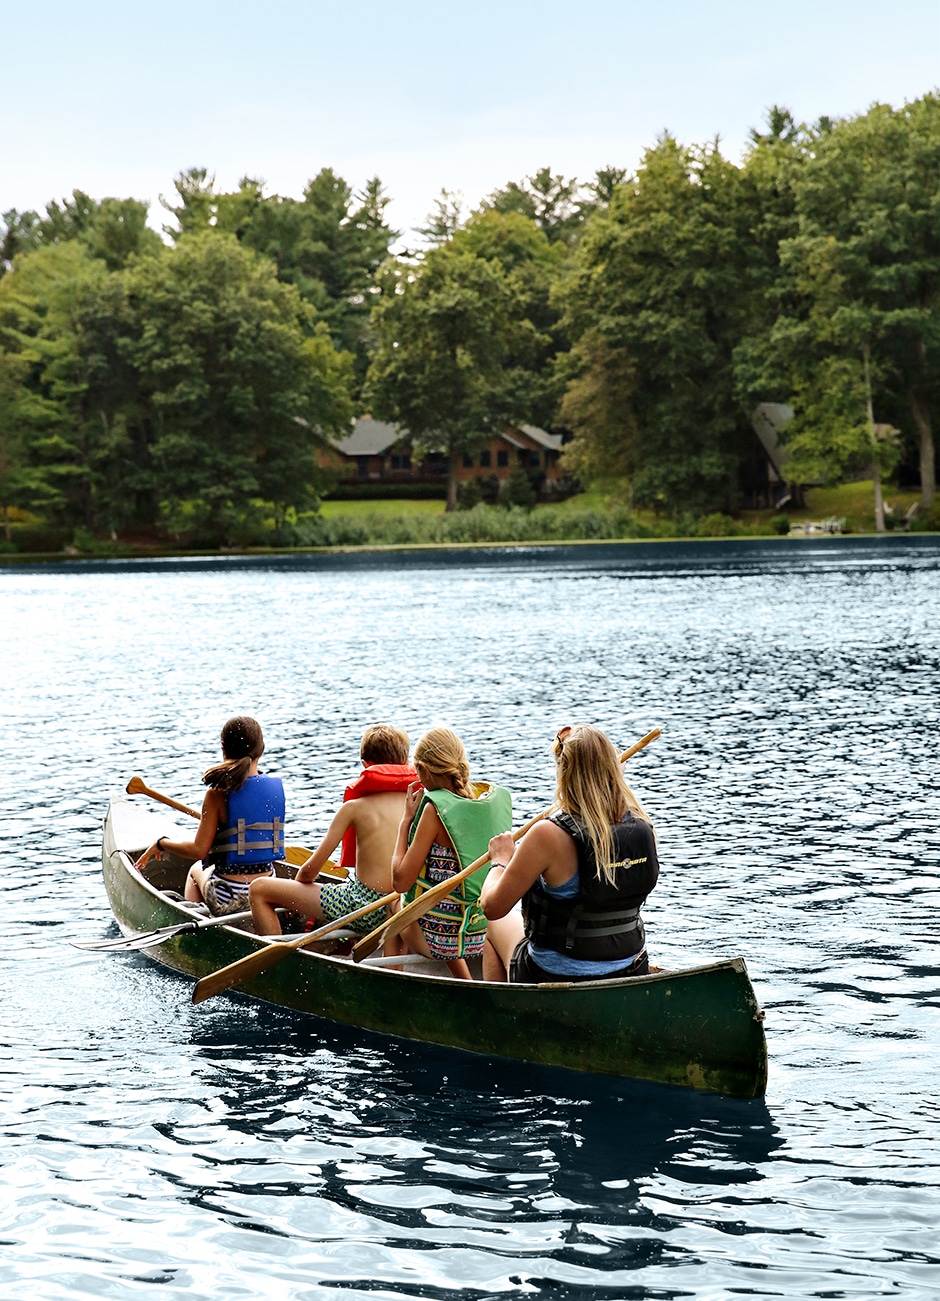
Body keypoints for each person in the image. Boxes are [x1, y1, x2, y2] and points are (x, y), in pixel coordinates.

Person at [480, 724, 658, 983]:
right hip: (630, 969)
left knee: (495, 925)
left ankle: (502, 1014)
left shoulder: (546, 835)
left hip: (552, 973)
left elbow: (492, 907)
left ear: (564, 773)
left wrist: (499, 861)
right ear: (614, 768)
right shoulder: (643, 827)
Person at [249, 724, 416, 936]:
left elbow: (310, 871)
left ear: (365, 765)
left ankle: (276, 962)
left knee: (259, 889)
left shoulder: (354, 808)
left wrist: (294, 898)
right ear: (406, 762)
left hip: (364, 909)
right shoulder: (419, 804)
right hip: (405, 907)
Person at [388, 727, 511, 980]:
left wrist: (405, 822)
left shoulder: (433, 811)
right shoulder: (483, 803)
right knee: (445, 901)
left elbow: (400, 881)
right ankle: (465, 980)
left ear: (422, 768)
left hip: (442, 941)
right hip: (481, 931)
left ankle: (391, 984)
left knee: (392, 906)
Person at [135, 717, 285, 917]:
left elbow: (199, 850)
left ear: (224, 751)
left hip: (229, 892)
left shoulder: (217, 795)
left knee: (196, 870)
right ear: (262, 750)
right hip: (269, 886)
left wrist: (162, 844)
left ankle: (198, 920)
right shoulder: (274, 791)